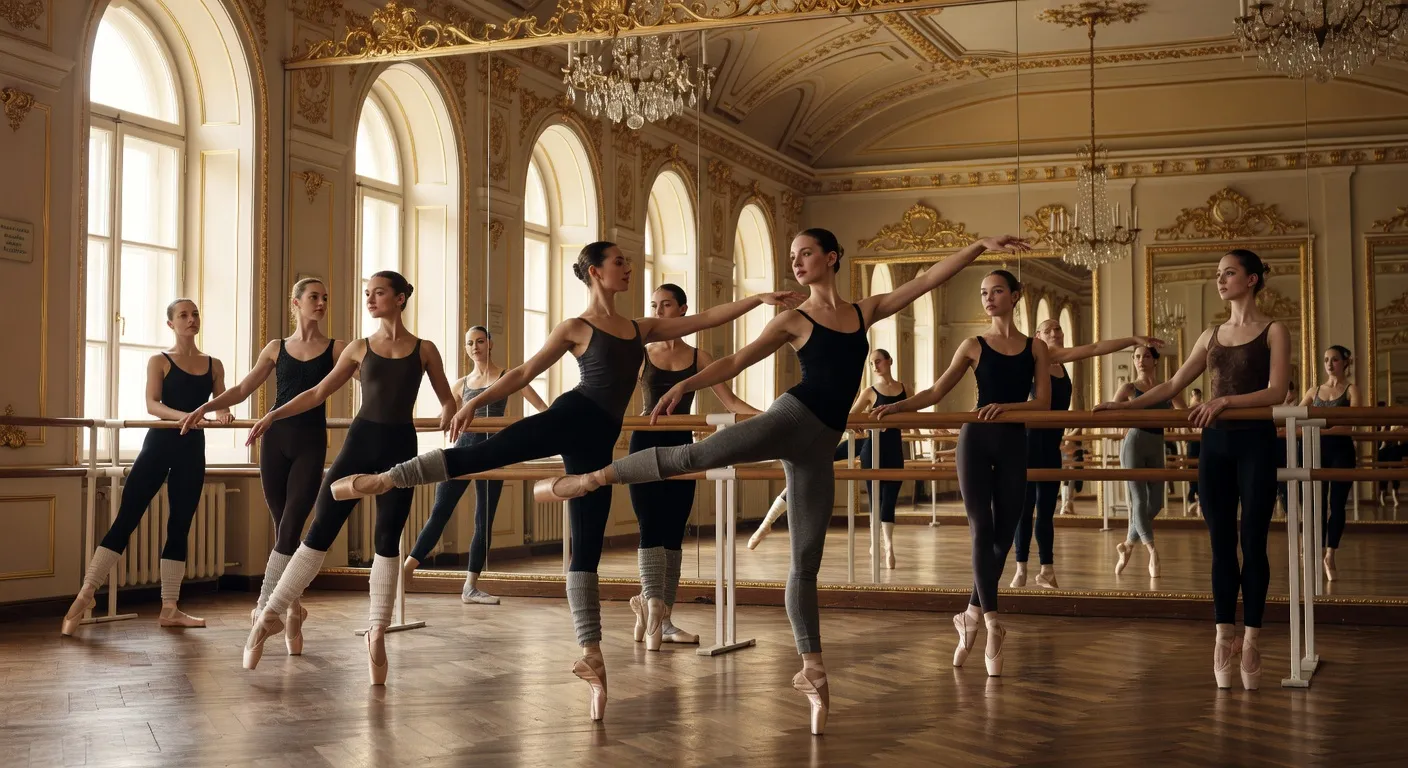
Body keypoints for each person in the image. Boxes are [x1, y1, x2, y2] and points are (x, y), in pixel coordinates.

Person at [534, 230, 1030, 734]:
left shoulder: (863, 312)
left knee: (805, 561)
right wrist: (685, 384)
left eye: (805, 253)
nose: (796, 262)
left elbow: (925, 281)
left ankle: (813, 670)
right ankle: (591, 478)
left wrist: (978, 247)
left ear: (831, 257)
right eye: (792, 256)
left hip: (819, 447)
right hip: (789, 419)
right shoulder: (794, 318)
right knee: (694, 455)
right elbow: (737, 360)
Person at [323, 242, 802, 720]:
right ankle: (387, 479)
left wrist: (758, 299)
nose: (627, 268)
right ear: (595, 272)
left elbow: (706, 319)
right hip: (569, 417)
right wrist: (473, 402)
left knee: (587, 546)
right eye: (619, 262)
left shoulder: (641, 329)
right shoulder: (577, 327)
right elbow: (525, 371)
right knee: (484, 455)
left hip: (596, 444)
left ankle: (592, 654)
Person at [240, 271, 457, 685]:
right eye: (367, 293)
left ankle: (377, 631)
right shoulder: (359, 348)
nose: (370, 299)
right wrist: (273, 414)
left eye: (379, 293)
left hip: (400, 450)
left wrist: (451, 410)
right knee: (319, 531)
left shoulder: (425, 349)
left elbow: (447, 398)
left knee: (387, 539)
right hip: (359, 446)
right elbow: (316, 393)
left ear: (400, 298)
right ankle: (269, 615)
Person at [1097, 249, 1291, 691]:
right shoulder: (1210, 335)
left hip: (1256, 444)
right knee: (1221, 546)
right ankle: (1223, 637)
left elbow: (1277, 390)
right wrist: (1124, 407)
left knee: (1253, 543)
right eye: (1218, 274)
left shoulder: (1274, 330)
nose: (1220, 280)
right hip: (1216, 447)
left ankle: (1253, 640)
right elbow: (1171, 385)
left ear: (1253, 279)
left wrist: (1223, 401)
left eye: (1229, 273)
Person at [874, 269, 1051, 678]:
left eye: (997, 291)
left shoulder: (1036, 347)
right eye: (984, 293)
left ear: (1015, 296)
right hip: (975, 441)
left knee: (1005, 535)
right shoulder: (973, 345)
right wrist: (896, 406)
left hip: (1013, 442)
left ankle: (970, 614)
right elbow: (936, 392)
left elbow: (1042, 401)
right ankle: (992, 623)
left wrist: (1009, 408)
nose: (989, 298)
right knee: (981, 529)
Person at [181, 279, 345, 650]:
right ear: (296, 303)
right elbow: (242, 389)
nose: (321, 303)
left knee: (291, 527)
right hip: (273, 442)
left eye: (325, 297)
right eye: (314, 297)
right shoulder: (276, 348)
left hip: (309, 443)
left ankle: (264, 607)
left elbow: (364, 379)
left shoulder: (336, 349)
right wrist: (205, 407)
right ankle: (293, 609)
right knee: (282, 528)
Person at [61, 299, 232, 635]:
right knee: (126, 518)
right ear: (171, 324)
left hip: (192, 450)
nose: (191, 319)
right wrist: (187, 417)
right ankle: (86, 593)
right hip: (158, 446)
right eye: (183, 315)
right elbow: (153, 404)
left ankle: (170, 608)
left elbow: (221, 403)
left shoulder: (214, 365)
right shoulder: (160, 361)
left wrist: (224, 415)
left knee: (180, 525)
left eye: (195, 313)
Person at [629, 283, 761, 649]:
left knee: (673, 531)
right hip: (644, 444)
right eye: (654, 305)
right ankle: (653, 611)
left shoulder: (699, 357)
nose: (658, 312)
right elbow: (613, 399)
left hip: (683, 448)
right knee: (649, 526)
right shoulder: (641, 354)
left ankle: (662, 618)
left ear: (683, 309)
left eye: (666, 305)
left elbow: (731, 402)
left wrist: (775, 417)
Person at [402, 326, 548, 605]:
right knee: (439, 513)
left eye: (480, 341)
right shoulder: (461, 384)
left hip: (493, 456)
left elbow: (543, 409)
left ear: (490, 344)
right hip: (462, 453)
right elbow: (442, 418)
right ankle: (406, 570)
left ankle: (470, 586)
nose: (475, 347)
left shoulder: (507, 376)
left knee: (483, 520)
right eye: (470, 343)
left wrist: (530, 435)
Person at [1012, 321, 1163, 589]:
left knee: (1046, 511)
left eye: (1058, 328)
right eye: (1049, 330)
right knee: (1025, 509)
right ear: (1037, 337)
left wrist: (1132, 340)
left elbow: (1095, 348)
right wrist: (1132, 340)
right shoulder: (1036, 359)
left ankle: (1047, 569)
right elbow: (1094, 348)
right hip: (1027, 444)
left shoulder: (1061, 363)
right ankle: (1021, 568)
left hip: (1051, 446)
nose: (1056, 333)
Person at [748, 348, 909, 570]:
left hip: (889, 448)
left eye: (879, 361)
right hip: (868, 445)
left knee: (888, 498)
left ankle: (888, 546)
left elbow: (911, 416)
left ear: (890, 361)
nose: (875, 367)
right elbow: (850, 418)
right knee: (808, 467)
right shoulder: (869, 391)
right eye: (872, 363)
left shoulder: (904, 389)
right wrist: (861, 424)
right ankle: (767, 522)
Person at [1110, 345, 1186, 578]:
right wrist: (1122, 425)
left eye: (1146, 356)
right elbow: (1112, 411)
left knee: (1156, 503)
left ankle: (1128, 544)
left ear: (1155, 361)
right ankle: (1152, 552)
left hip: (1157, 444)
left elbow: (1184, 412)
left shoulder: (1167, 388)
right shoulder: (1129, 388)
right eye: (1136, 357)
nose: (1140, 360)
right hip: (1134, 442)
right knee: (1139, 501)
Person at [1298, 344, 1360, 581]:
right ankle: (1316, 550)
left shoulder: (1351, 390)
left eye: (1334, 359)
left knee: (1337, 504)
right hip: (1316, 450)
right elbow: (1295, 418)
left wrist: (1319, 429)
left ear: (1345, 362)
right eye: (1326, 360)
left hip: (1341, 451)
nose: (1329, 364)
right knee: (1317, 504)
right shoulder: (1314, 391)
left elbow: (1350, 425)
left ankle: (1330, 554)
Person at [1185, 388, 1203, 516]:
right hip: (1193, 441)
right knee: (1192, 466)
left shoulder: (1203, 407)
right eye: (1194, 395)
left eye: (1197, 395)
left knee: (1200, 467)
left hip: (1201, 441)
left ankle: (1195, 495)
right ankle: (1193, 495)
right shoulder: (1187, 409)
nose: (1196, 397)